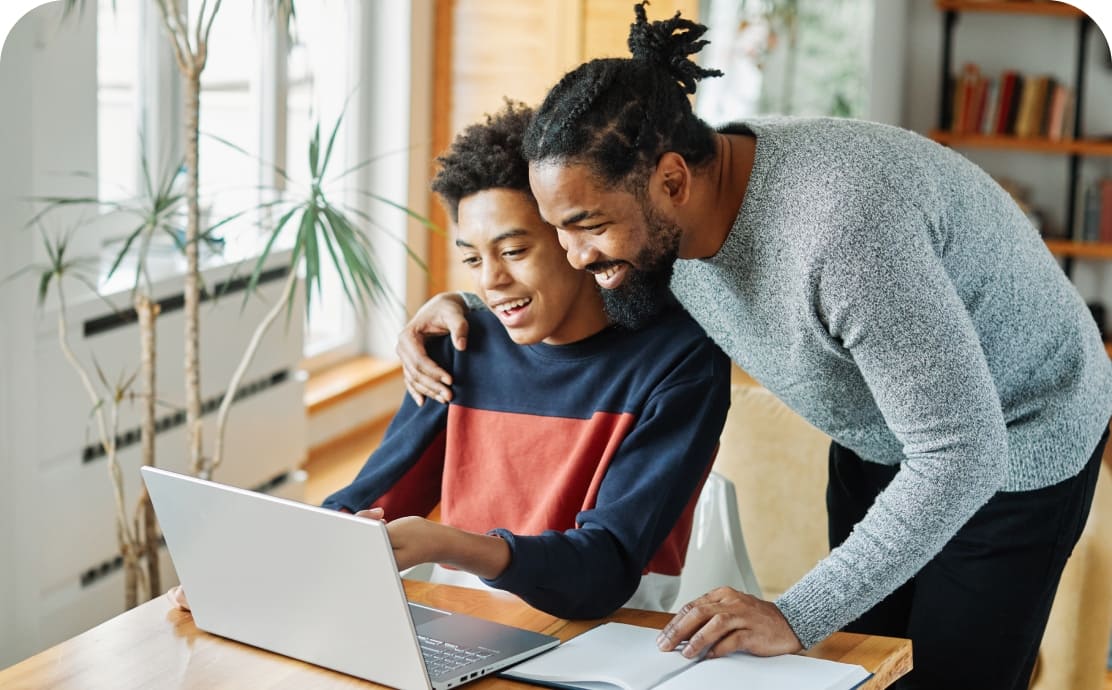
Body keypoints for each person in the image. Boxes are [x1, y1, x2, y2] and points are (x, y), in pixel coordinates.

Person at [395, 5, 1112, 689]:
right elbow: (580, 307)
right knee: (858, 664)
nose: (575, 256)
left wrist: (793, 614)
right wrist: (469, 309)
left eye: (586, 227)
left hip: (1014, 437)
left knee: (953, 678)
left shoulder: (841, 236)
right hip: (882, 430)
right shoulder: (665, 209)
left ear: (672, 179)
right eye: (559, 232)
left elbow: (962, 451)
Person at [321, 102, 731, 620]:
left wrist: (454, 545)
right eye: (472, 259)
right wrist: (250, 574)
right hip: (467, 629)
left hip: (609, 638)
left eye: (513, 251)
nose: (489, 281)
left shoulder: (678, 363)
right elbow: (364, 504)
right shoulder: (460, 344)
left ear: (574, 238)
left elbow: (605, 570)